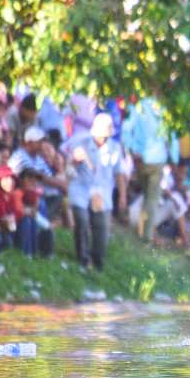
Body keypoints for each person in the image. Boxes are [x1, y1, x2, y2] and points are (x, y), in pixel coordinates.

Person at [64, 112, 125, 270]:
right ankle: (82, 258)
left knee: (101, 228)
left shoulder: (114, 148)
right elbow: (67, 163)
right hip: (81, 187)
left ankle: (97, 261)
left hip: (101, 192)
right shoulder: (81, 141)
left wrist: (122, 195)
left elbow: (119, 173)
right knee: (82, 220)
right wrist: (74, 161)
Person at [120, 97, 171, 242]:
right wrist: (173, 158)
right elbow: (171, 136)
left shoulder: (137, 106)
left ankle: (143, 230)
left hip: (141, 158)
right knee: (151, 197)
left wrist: (132, 149)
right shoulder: (165, 108)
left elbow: (126, 130)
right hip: (158, 158)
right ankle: (146, 236)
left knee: (147, 195)